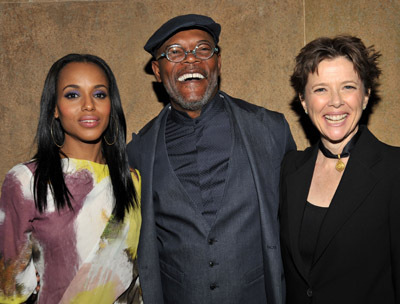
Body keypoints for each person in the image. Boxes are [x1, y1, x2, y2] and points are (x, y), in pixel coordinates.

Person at [127, 14, 296, 304]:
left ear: (217, 61)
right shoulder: (138, 152)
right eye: (175, 52)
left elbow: (297, 228)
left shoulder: (271, 130)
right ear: (157, 70)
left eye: (202, 49)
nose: (190, 60)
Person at [0, 54, 142, 304]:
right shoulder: (26, 182)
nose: (88, 105)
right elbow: (11, 290)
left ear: (111, 105)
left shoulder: (132, 181)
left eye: (99, 94)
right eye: (72, 95)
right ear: (54, 107)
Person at [279, 35, 400, 303]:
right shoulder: (290, 169)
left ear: (366, 95)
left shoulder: (394, 170)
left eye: (347, 87)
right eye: (320, 89)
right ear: (303, 100)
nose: (335, 102)